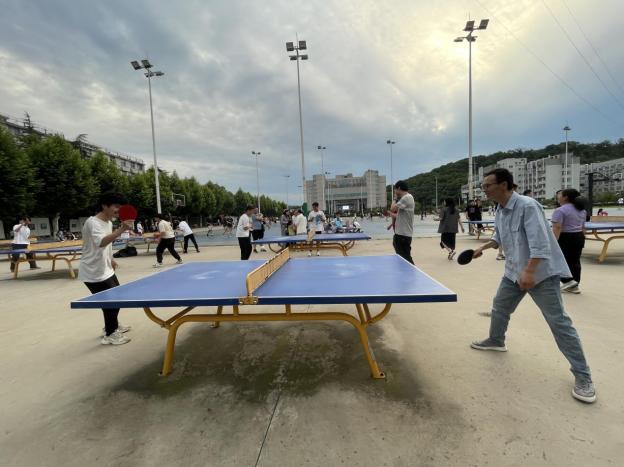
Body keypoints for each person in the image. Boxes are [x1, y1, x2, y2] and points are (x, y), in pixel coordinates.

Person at [470, 168, 596, 403]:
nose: (484, 190)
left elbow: (541, 244)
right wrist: (483, 248)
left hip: (540, 275)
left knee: (559, 323)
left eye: (487, 185)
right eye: (483, 186)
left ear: (504, 185)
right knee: (500, 307)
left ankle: (583, 376)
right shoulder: (500, 209)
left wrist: (529, 272)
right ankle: (496, 340)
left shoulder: (528, 206)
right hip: (513, 272)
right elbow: (499, 237)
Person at [79, 193, 134, 345]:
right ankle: (110, 334)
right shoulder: (93, 222)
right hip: (93, 271)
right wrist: (121, 229)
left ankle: (111, 326)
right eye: (116, 206)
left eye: (121, 207)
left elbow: (107, 245)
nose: (119, 210)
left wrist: (111, 259)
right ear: (104, 205)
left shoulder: (109, 222)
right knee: (111, 303)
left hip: (106, 268)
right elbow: (101, 242)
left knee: (116, 299)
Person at [552, 189, 587, 294]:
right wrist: (582, 238)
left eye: (560, 195)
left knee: (561, 260)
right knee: (575, 261)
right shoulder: (582, 210)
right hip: (579, 236)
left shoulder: (560, 210)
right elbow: (583, 227)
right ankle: (574, 285)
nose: (558, 197)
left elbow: (557, 227)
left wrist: (553, 243)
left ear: (565, 197)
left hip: (565, 237)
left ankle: (568, 282)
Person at [389, 180, 415, 264]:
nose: (395, 191)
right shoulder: (408, 197)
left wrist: (395, 198)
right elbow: (399, 216)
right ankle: (410, 270)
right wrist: (391, 215)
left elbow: (392, 208)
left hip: (403, 234)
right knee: (404, 258)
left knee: (405, 259)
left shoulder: (406, 197)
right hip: (402, 234)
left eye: (395, 189)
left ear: (399, 188)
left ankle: (413, 271)